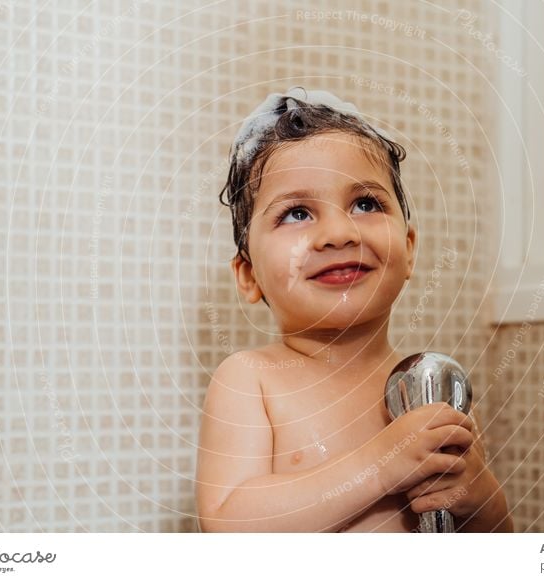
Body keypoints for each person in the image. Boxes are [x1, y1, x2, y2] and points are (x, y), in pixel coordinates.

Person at [195, 87, 512, 532]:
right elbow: (229, 527)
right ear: (248, 274)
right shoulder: (251, 381)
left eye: (366, 204)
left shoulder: (425, 389)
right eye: (297, 213)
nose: (339, 232)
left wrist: (482, 501)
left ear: (408, 249)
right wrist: (382, 465)